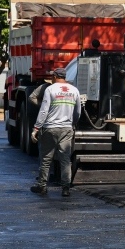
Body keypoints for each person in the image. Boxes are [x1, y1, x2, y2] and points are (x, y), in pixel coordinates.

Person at [30, 67, 82, 197]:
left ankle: (42, 186)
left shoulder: (50, 89)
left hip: (50, 129)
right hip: (66, 129)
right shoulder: (74, 90)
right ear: (64, 77)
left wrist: (36, 128)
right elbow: (78, 112)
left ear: (54, 77)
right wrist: (72, 123)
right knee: (65, 159)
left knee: (46, 159)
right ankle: (66, 188)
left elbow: (44, 111)